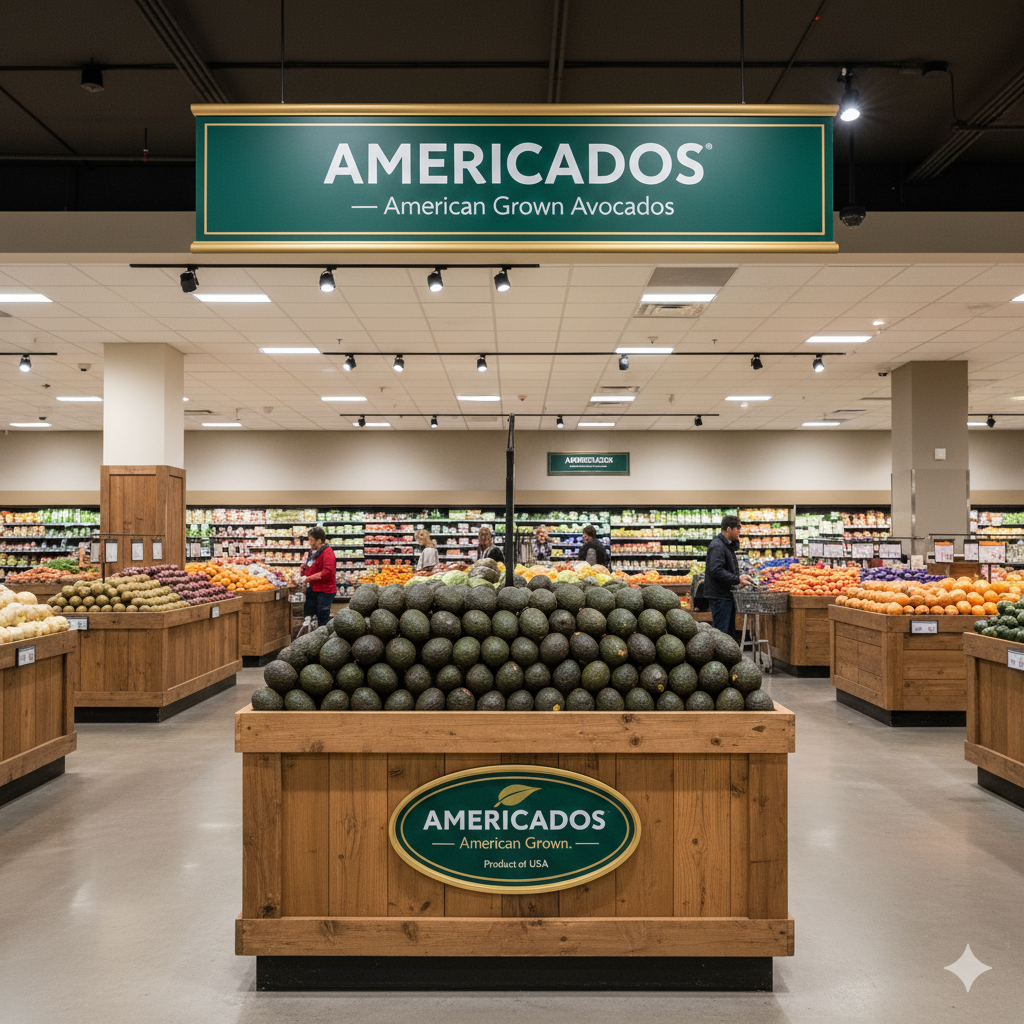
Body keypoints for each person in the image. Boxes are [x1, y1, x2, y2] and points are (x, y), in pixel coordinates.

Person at [704, 514, 752, 639]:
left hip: (725, 595)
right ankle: (718, 652)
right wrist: (736, 579)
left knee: (729, 634)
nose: (740, 531)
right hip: (720, 596)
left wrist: (738, 577)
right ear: (729, 529)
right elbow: (716, 570)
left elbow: (725, 568)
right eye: (738, 528)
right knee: (721, 634)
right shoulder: (717, 546)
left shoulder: (726, 545)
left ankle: (727, 652)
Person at [300, 526, 336, 627]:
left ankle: (325, 633)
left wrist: (308, 578)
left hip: (325, 591)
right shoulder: (313, 553)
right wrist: (304, 569)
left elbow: (327, 573)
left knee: (322, 618)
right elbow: (312, 567)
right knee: (310, 614)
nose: (309, 543)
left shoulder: (328, 552)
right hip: (314, 589)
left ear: (319, 541)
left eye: (311, 540)